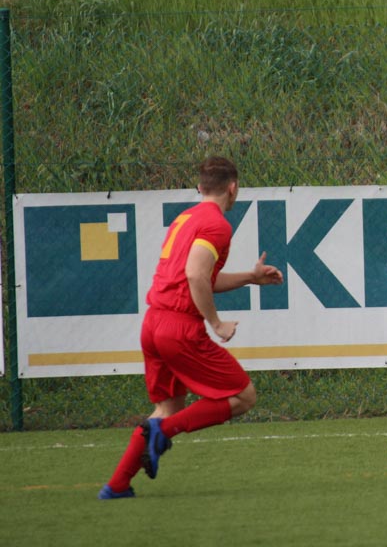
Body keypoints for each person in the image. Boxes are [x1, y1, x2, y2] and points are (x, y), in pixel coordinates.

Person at [98, 156, 284, 499]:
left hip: (154, 322)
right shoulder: (217, 225)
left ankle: (117, 485)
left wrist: (250, 277)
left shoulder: (185, 218)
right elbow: (196, 275)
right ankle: (162, 433)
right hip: (178, 328)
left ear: (200, 187)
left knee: (166, 409)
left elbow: (200, 277)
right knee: (244, 396)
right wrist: (216, 323)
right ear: (233, 188)